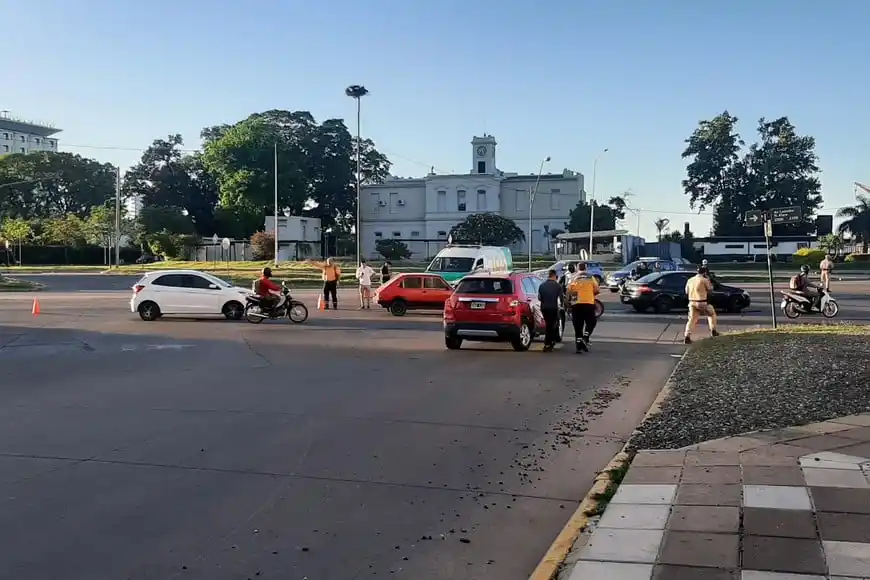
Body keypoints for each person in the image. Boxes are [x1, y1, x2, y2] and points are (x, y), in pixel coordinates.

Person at [566, 262, 600, 353]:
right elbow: (597, 290)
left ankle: (578, 347)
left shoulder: (572, 278)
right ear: (586, 268)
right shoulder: (590, 277)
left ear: (577, 268)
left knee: (578, 326)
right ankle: (585, 337)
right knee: (591, 322)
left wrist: (568, 303)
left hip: (576, 304)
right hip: (588, 303)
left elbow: (568, 291)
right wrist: (590, 293)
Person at [684, 266, 719, 345]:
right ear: (704, 273)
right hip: (702, 302)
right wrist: (709, 280)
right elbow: (710, 289)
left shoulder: (690, 280)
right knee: (711, 314)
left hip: (692, 302)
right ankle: (713, 330)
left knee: (691, 320)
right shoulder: (704, 280)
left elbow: (686, 291)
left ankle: (687, 336)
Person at [538, 269, 563, 352]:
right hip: (553, 308)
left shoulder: (542, 285)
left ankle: (548, 343)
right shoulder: (558, 286)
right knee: (553, 325)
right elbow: (561, 298)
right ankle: (549, 343)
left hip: (544, 308)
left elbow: (539, 298)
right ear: (554, 276)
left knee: (548, 324)